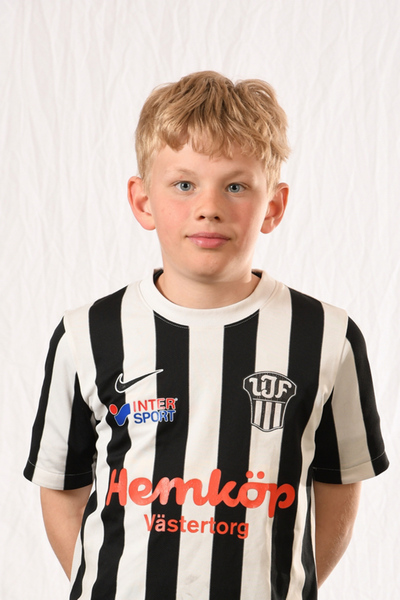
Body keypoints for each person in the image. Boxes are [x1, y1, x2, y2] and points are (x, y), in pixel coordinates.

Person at [24, 71, 389, 600]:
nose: (209, 206)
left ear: (274, 205)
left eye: (235, 186)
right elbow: (61, 486)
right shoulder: (87, 334)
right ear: (143, 201)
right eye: (184, 184)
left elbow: (339, 484)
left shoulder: (327, 337)